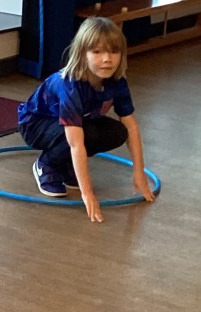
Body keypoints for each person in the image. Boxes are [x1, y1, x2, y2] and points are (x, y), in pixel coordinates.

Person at [17, 16, 155, 223]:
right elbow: (75, 142)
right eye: (97, 52)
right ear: (82, 54)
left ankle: (65, 164)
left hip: (78, 123)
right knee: (84, 135)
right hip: (35, 125)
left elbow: (131, 126)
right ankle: (46, 164)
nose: (107, 59)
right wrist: (87, 194)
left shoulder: (117, 82)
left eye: (114, 51)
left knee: (118, 132)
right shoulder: (70, 86)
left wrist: (139, 172)